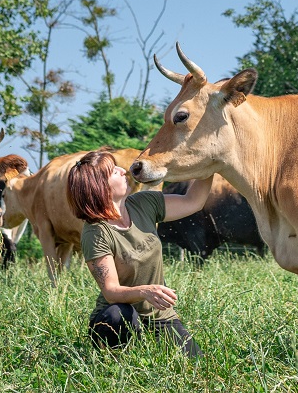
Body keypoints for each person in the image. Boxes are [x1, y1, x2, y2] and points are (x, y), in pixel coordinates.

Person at [67, 150, 213, 357]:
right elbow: (111, 291)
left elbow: (193, 201)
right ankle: (112, 359)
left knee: (195, 362)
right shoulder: (96, 233)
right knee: (119, 314)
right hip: (119, 317)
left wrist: (210, 163)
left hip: (159, 316)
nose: (121, 170)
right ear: (99, 187)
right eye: (113, 171)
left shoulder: (144, 203)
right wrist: (145, 291)